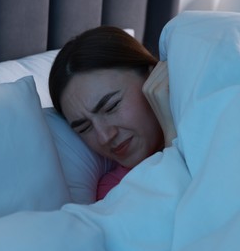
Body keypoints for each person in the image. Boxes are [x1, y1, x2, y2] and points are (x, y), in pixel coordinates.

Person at [49, 26, 176, 200]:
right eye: (85, 128)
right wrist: (171, 134)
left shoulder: (212, 113)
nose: (104, 137)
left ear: (151, 75)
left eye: (111, 106)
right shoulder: (113, 192)